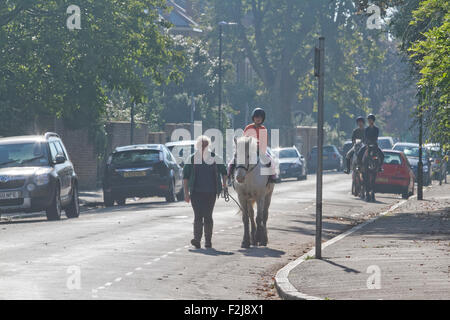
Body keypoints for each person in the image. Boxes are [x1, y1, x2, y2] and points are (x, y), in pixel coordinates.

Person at [183, 135, 227, 249]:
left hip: (210, 192)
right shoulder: (192, 159)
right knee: (198, 216)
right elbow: (185, 177)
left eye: (205, 145)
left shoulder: (215, 158)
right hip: (196, 193)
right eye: (201, 145)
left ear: (208, 146)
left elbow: (224, 171)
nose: (203, 147)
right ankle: (197, 240)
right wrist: (186, 193)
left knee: (207, 216)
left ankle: (208, 241)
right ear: (197, 146)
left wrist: (224, 185)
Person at [228, 107, 276, 182]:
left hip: (259, 151)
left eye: (260, 117)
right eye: (256, 117)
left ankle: (271, 178)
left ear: (262, 119)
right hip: (248, 150)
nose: (258, 119)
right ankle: (230, 176)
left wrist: (258, 149)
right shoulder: (248, 127)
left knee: (269, 161)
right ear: (253, 118)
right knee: (233, 161)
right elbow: (244, 140)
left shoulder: (263, 129)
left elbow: (264, 143)